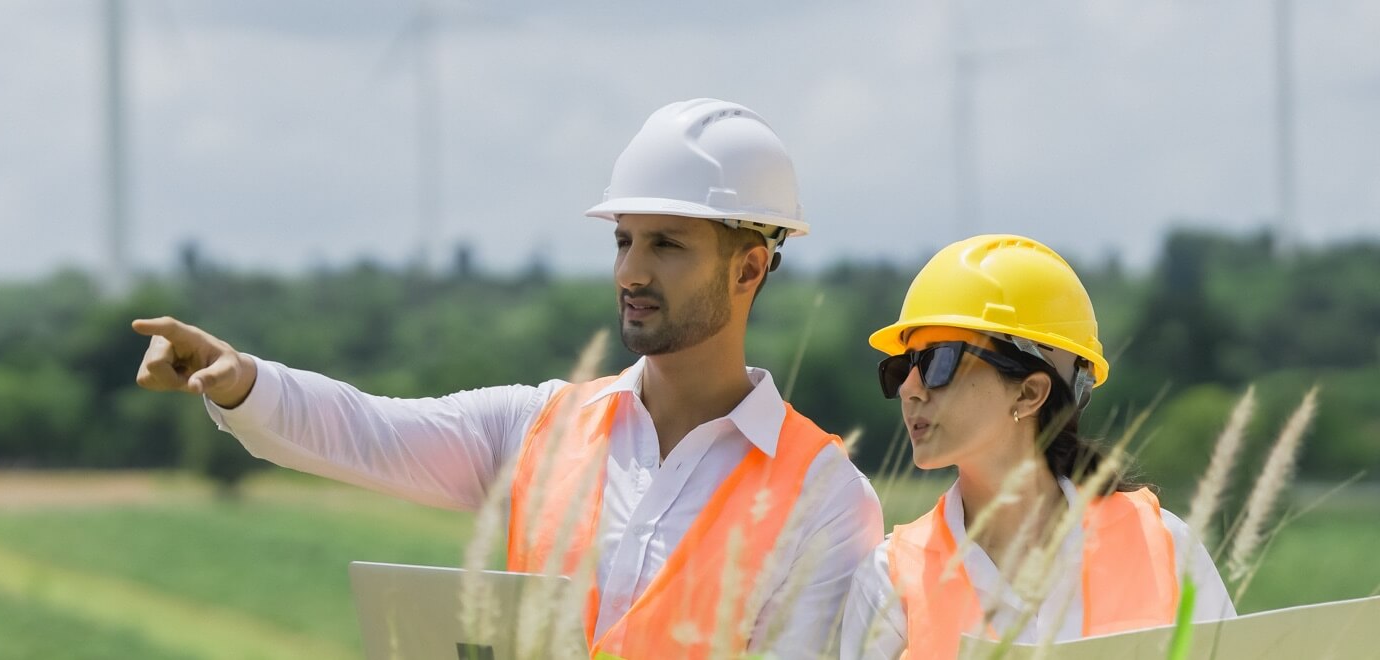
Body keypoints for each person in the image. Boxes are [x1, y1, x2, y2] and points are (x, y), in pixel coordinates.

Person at [132, 99, 880, 658]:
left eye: (667, 245)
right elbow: (364, 430)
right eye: (623, 241)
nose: (631, 271)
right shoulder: (537, 428)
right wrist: (242, 381)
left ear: (749, 267)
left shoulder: (826, 500)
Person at [839, 234, 1236, 659]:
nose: (909, 389)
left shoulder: (1164, 546)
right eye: (902, 367)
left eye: (937, 362)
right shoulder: (890, 581)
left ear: (1029, 393)